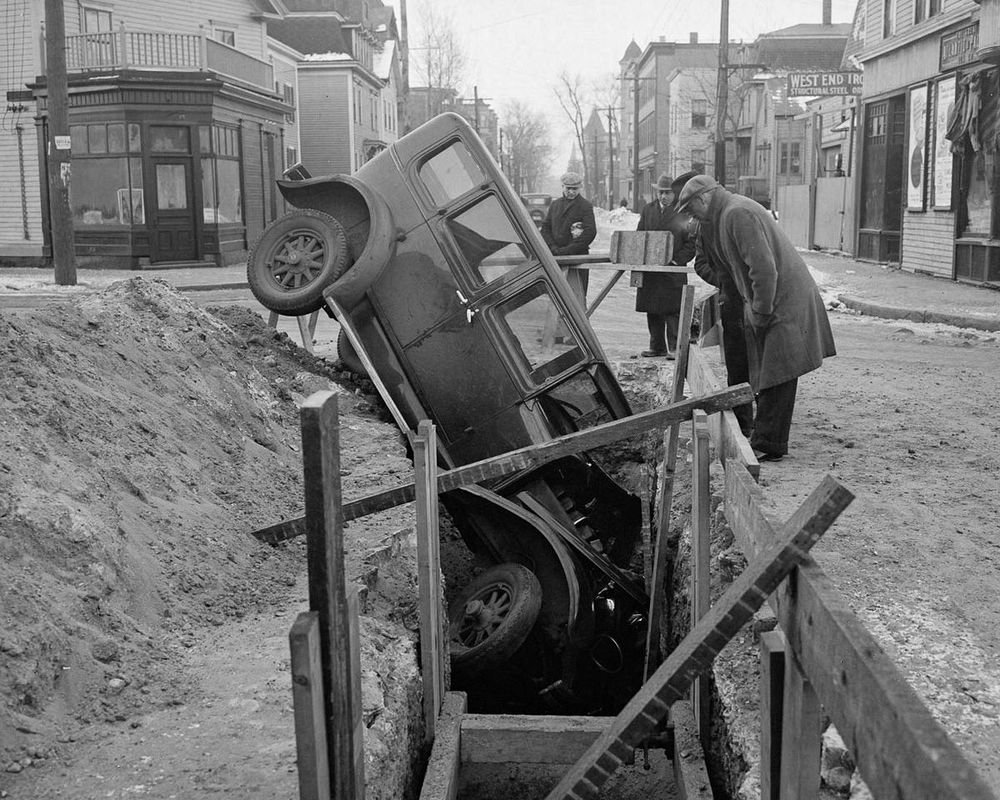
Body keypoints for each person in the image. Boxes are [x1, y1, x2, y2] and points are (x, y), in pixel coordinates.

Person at [676, 174, 836, 461]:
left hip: (783, 299)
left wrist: (761, 310)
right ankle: (764, 438)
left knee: (779, 369)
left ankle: (769, 443)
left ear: (703, 199)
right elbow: (731, 268)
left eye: (690, 209)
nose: (691, 216)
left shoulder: (737, 213)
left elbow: (762, 269)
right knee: (769, 367)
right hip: (772, 298)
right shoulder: (725, 214)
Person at [633, 172, 697, 358]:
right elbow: (639, 236)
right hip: (651, 270)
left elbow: (691, 242)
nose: (663, 196)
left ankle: (675, 348)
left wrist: (677, 260)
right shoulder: (648, 210)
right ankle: (657, 346)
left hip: (672, 271)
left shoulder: (683, 212)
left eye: (668, 192)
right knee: (652, 309)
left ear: (674, 193)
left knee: (673, 310)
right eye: (661, 192)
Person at [541, 172, 596, 309]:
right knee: (555, 297)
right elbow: (546, 228)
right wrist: (553, 247)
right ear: (562, 187)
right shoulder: (555, 205)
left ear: (580, 188)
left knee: (577, 298)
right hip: (555, 258)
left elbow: (590, 232)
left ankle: (578, 327)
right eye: (568, 188)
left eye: (574, 189)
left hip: (577, 258)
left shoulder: (585, 206)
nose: (571, 192)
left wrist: (568, 250)